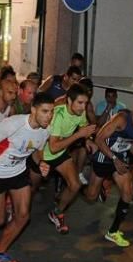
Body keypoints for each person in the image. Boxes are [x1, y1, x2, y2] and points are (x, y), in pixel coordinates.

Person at [0, 93, 56, 262]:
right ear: (33, 110)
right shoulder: (14, 123)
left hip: (18, 171)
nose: (49, 116)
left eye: (51, 112)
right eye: (45, 111)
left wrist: (42, 163)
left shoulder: (46, 130)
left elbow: (36, 150)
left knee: (23, 216)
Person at [86, 93, 133, 247]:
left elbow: (132, 141)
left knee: (128, 192)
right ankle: (92, 183)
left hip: (119, 159)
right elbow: (98, 138)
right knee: (91, 196)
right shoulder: (122, 119)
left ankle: (113, 231)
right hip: (104, 156)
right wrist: (114, 159)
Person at [33, 84, 98, 233]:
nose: (83, 107)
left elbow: (83, 127)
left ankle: (57, 213)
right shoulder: (58, 115)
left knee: (75, 185)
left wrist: (88, 139)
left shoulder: (79, 113)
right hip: (42, 154)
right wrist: (79, 136)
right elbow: (54, 146)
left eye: (86, 103)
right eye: (80, 103)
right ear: (69, 101)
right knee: (31, 188)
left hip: (59, 154)